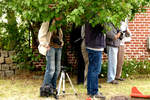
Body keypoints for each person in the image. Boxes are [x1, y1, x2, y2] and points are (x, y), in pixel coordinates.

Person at [38, 17, 64, 89]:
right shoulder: (47, 21)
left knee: (57, 70)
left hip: (58, 48)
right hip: (50, 48)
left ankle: (52, 88)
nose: (61, 16)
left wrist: (61, 43)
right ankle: (45, 89)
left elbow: (60, 35)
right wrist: (45, 44)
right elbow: (41, 34)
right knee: (51, 69)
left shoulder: (58, 24)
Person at [85, 22, 105, 99]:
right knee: (95, 70)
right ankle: (94, 92)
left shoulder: (89, 14)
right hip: (95, 46)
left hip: (91, 45)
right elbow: (101, 29)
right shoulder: (97, 17)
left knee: (91, 69)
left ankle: (90, 90)